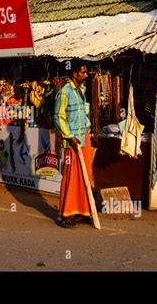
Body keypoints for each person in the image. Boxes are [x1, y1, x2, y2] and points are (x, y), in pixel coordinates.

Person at [54, 65, 94, 228]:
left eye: (86, 72)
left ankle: (83, 211)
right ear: (74, 73)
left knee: (86, 176)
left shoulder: (82, 90)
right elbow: (58, 117)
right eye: (83, 72)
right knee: (71, 176)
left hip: (84, 138)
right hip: (72, 141)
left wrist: (88, 130)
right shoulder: (64, 92)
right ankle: (67, 214)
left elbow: (84, 115)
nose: (85, 75)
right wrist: (69, 137)